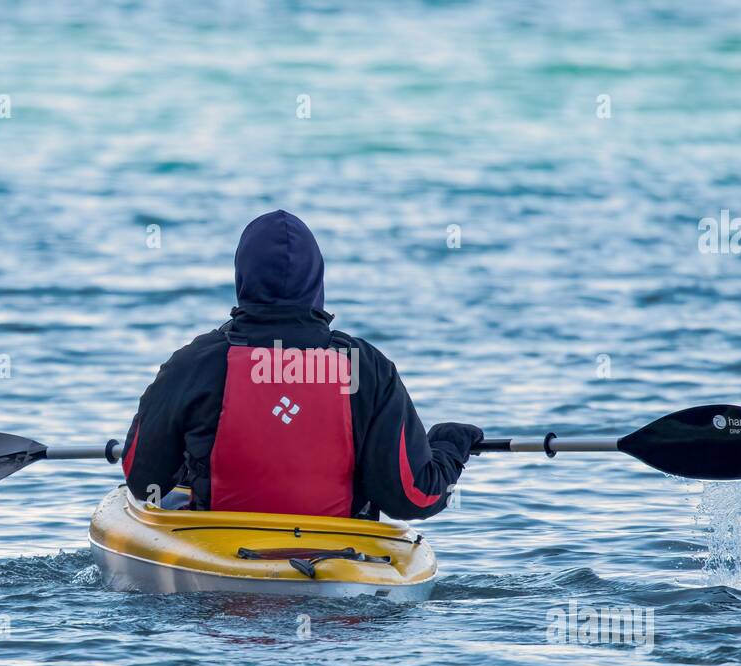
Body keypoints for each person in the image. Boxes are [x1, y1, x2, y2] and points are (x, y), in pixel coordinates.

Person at [120, 210, 483, 520]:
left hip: (217, 562)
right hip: (341, 569)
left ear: (242, 277)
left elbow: (142, 480)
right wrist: (449, 447)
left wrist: (192, 461)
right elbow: (414, 497)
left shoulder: (195, 362)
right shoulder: (365, 367)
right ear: (316, 279)